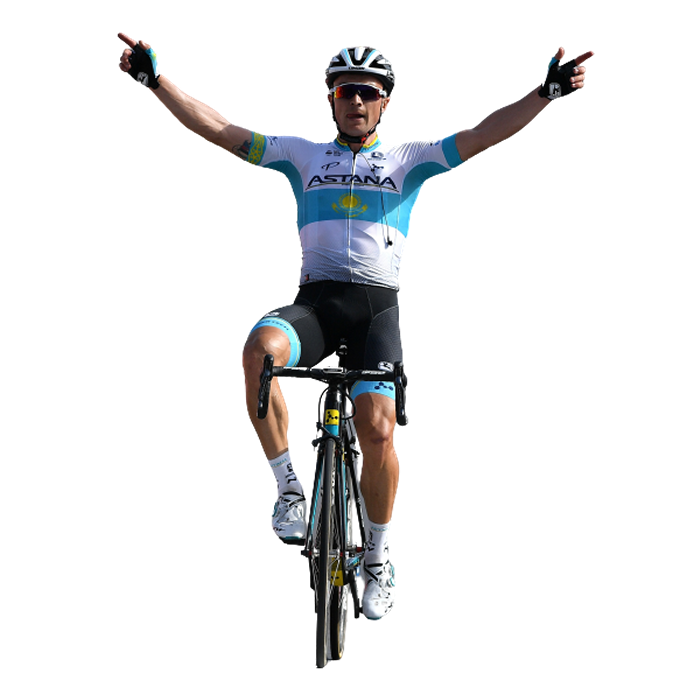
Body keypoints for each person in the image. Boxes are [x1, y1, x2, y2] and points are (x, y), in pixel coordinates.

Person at [117, 36, 593, 620]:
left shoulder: (408, 159)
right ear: (331, 99)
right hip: (314, 307)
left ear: (385, 102)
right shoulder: (301, 156)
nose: (357, 101)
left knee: (378, 430)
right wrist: (156, 82)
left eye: (368, 92)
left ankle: (378, 558)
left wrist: (544, 95)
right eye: (346, 92)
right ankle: (289, 490)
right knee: (258, 351)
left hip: (376, 313)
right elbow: (221, 131)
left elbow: (482, 134)